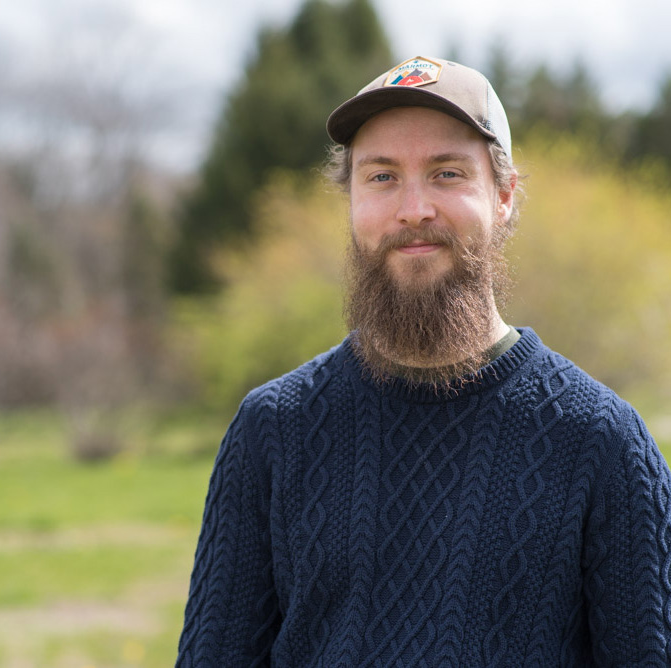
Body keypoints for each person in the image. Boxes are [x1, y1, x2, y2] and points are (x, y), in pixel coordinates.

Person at [176, 56, 671, 666]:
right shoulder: (272, 430)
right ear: (351, 200)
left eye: (446, 173)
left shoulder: (602, 442)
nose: (413, 208)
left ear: (505, 195)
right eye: (381, 177)